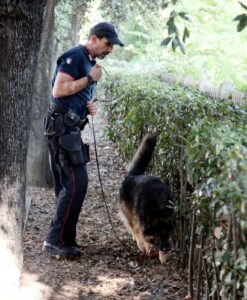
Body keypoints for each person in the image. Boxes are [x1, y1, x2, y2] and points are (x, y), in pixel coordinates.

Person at [42, 22, 124, 257]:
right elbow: (58, 91)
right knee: (76, 183)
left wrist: (86, 106)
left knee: (68, 185)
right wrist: (88, 80)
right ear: (94, 38)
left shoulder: (88, 61)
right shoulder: (75, 56)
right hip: (62, 129)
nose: (110, 50)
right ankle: (53, 241)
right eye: (108, 44)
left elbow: (71, 93)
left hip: (69, 127)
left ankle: (64, 239)